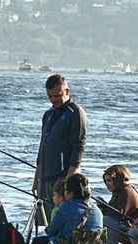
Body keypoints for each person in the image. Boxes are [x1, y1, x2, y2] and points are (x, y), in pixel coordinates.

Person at [33, 73, 88, 221]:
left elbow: (78, 147)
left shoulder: (76, 113)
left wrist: (69, 181)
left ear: (67, 91)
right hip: (45, 176)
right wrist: (37, 177)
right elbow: (42, 147)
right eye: (50, 96)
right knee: (46, 220)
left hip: (63, 177)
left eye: (57, 96)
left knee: (62, 219)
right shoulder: (48, 115)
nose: (54, 100)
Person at [24, 178, 65, 244]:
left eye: (54, 195)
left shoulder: (57, 210)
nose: (53, 198)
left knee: (36, 241)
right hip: (66, 242)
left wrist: (48, 229)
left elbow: (52, 230)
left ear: (61, 197)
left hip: (58, 242)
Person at [102, 165, 138, 244]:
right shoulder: (119, 191)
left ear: (118, 179)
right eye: (106, 181)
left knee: (106, 221)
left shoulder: (126, 192)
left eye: (109, 180)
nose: (107, 184)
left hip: (134, 230)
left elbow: (116, 215)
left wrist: (103, 209)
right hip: (127, 227)